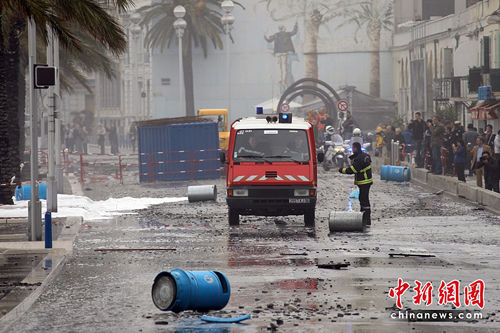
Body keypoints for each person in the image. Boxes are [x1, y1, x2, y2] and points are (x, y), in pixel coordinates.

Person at [339, 142, 373, 226]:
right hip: (366, 181)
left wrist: (341, 170)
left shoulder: (360, 158)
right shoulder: (364, 156)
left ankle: (366, 220)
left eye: (353, 148)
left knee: (364, 200)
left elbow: (353, 170)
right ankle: (364, 218)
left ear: (355, 148)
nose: (352, 150)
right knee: (363, 199)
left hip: (364, 181)